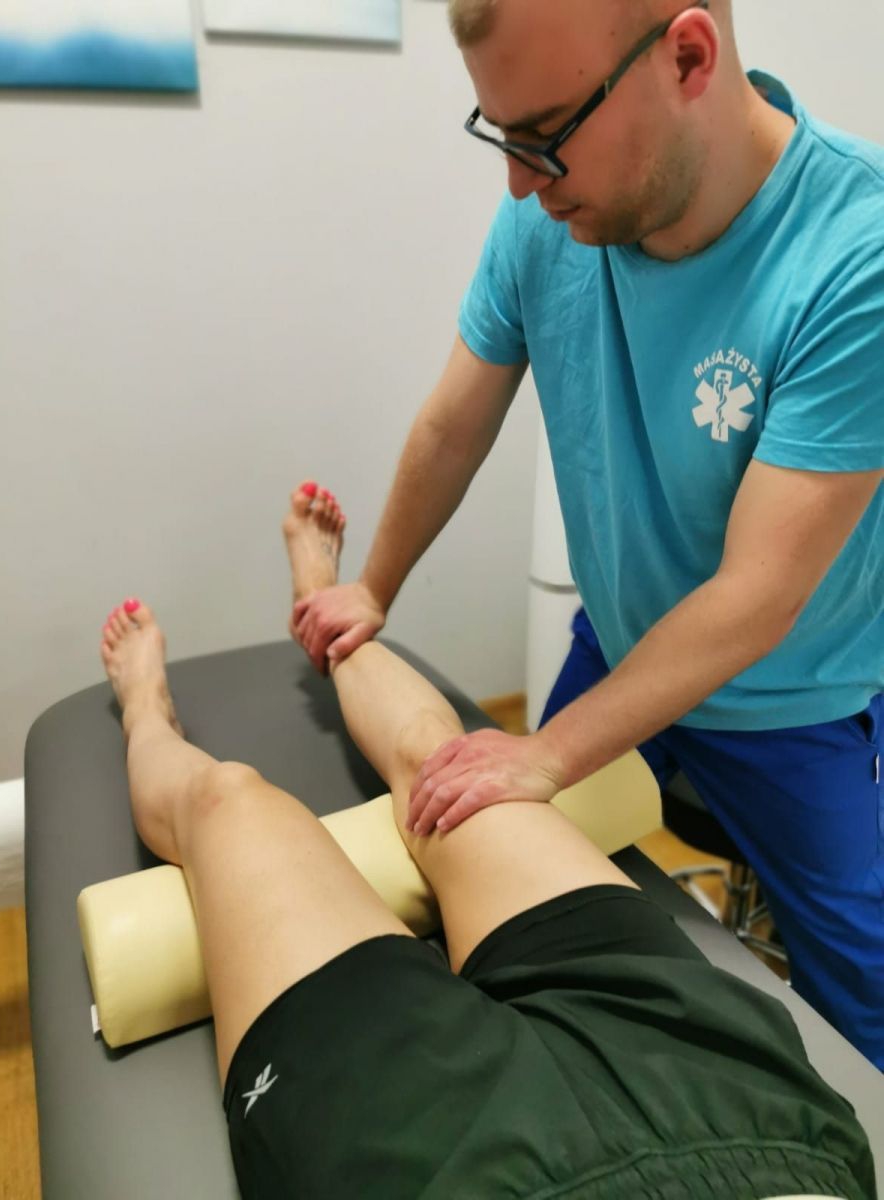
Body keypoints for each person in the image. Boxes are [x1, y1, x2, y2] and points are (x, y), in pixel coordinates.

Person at [290, 0, 884, 1067]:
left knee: (869, 1013)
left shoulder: (856, 255)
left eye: (546, 135)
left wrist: (549, 752)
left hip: (796, 698)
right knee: (492, 882)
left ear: (688, 56)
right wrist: (372, 587)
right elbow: (452, 425)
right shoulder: (549, 219)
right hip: (621, 646)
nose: (520, 184)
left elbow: (757, 594)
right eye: (501, 135)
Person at [99, 483, 874, 1200]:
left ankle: (145, 710)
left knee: (228, 801)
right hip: (751, 1119)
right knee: (445, 760)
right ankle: (320, 609)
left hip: (447, 1169)